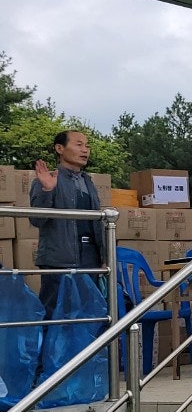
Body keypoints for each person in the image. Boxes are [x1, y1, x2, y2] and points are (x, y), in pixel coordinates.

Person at [29, 130, 103, 317]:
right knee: (55, 312)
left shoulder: (88, 182)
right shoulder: (47, 178)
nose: (85, 150)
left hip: (90, 256)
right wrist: (47, 190)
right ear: (59, 148)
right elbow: (36, 219)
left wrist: (104, 255)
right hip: (59, 257)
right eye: (79, 145)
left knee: (89, 312)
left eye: (87, 146)